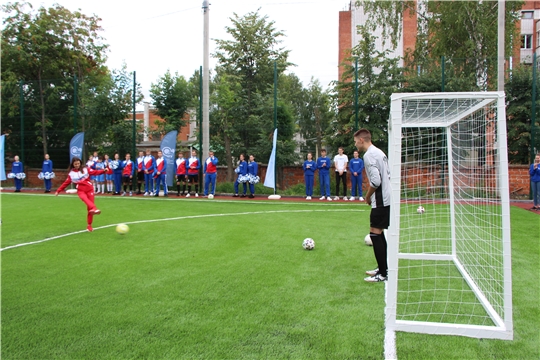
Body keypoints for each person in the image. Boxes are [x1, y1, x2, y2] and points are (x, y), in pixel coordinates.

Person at [354, 128, 391, 283]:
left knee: (375, 233)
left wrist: (367, 196)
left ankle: (382, 274)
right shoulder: (379, 152)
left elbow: (376, 181)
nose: (355, 144)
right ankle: (383, 268)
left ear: (362, 140)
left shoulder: (369, 156)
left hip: (381, 199)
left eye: (355, 141)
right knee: (379, 233)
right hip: (387, 197)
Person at [55, 156, 107, 232]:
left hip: (90, 189)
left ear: (80, 163)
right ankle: (95, 208)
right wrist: (58, 190)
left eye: (78, 163)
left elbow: (95, 172)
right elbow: (66, 183)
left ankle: (89, 225)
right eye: (75, 164)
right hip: (81, 191)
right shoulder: (71, 174)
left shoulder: (86, 169)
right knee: (86, 201)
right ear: (73, 164)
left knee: (89, 208)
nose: (77, 165)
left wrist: (103, 171)